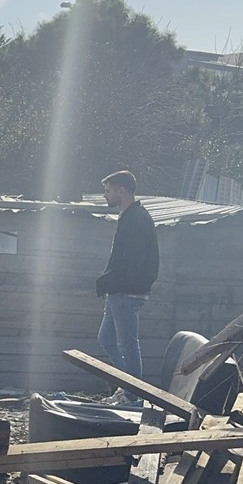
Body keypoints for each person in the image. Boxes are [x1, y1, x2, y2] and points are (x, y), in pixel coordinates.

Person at [96, 170, 159, 406]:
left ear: (121, 190)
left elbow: (134, 261)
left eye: (108, 190)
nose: (106, 195)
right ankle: (128, 386)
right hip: (118, 290)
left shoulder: (137, 219)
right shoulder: (130, 216)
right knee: (106, 338)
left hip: (127, 291)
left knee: (128, 345)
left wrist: (115, 283)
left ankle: (133, 395)